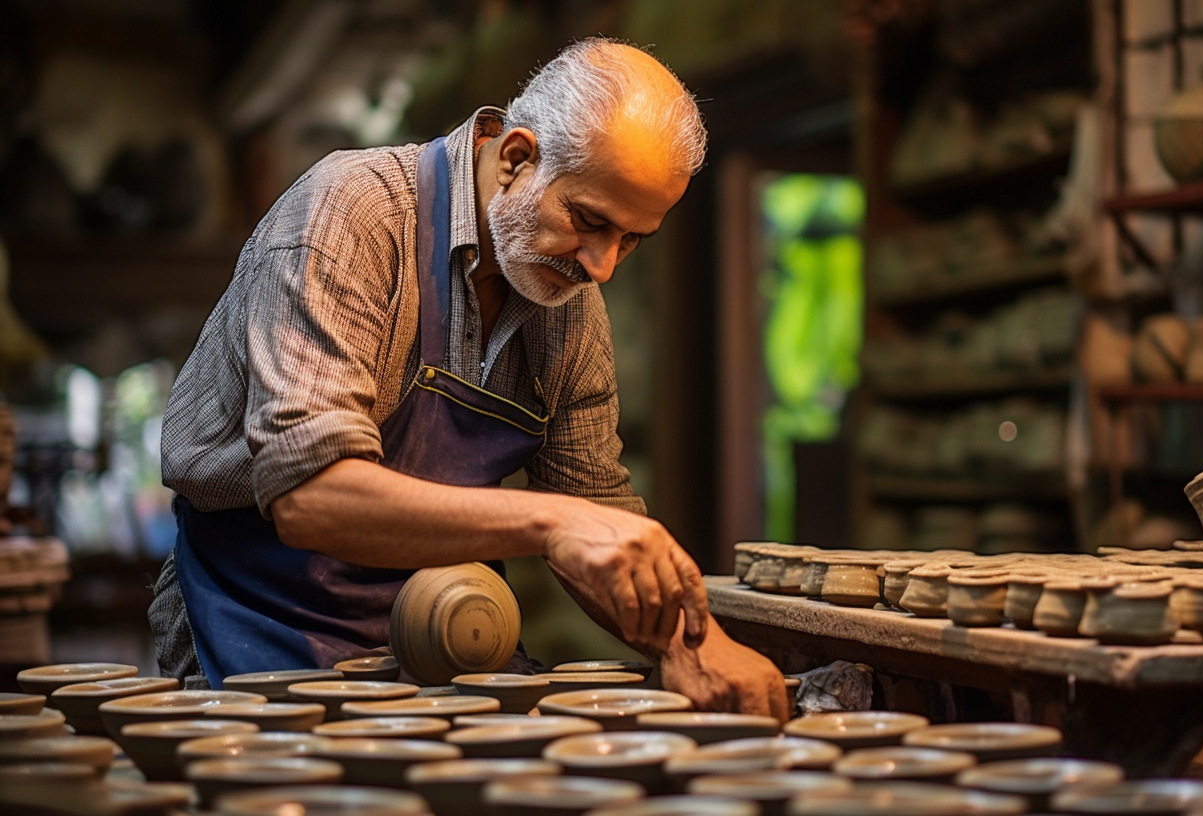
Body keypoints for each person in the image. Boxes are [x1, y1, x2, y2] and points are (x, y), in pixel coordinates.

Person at [148, 38, 788, 719]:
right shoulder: (352, 216)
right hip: (260, 606)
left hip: (444, 619)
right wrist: (554, 522)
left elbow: (595, 507)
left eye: (631, 240)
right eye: (590, 221)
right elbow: (311, 496)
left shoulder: (568, 309)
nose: (601, 266)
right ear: (515, 158)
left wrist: (695, 644)